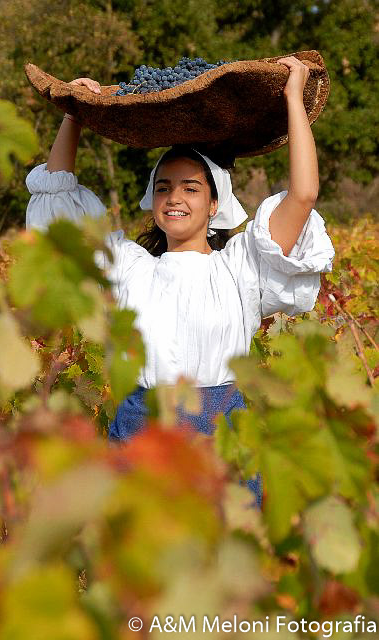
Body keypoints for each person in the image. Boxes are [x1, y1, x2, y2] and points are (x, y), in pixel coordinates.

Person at [25, 57, 335, 510]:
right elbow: (59, 208)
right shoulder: (128, 265)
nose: (174, 198)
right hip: (141, 438)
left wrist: (293, 98)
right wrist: (76, 112)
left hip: (220, 444)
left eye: (191, 188)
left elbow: (303, 195)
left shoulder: (241, 267)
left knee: (221, 574)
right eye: (164, 187)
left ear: (214, 204)